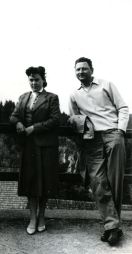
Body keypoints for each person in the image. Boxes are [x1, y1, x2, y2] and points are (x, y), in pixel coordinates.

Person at [69, 57, 129, 244]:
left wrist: (120, 131)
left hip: (113, 135)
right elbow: (74, 118)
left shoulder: (106, 85)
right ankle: (114, 227)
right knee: (98, 182)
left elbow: (123, 108)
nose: (81, 72)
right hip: (92, 141)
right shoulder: (74, 94)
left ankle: (111, 227)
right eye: (77, 69)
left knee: (115, 181)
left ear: (91, 70)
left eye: (84, 69)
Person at [10, 66, 60, 235]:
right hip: (29, 146)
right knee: (30, 182)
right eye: (31, 80)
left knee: (44, 182)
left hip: (46, 146)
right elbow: (13, 115)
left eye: (37, 79)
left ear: (43, 80)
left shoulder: (52, 98)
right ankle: (32, 218)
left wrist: (34, 128)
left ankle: (42, 216)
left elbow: (55, 120)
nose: (34, 83)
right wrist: (17, 123)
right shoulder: (23, 97)